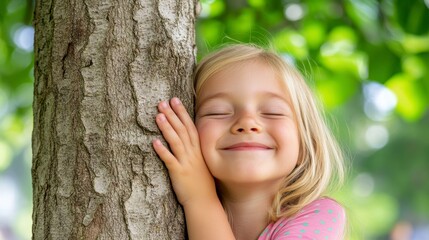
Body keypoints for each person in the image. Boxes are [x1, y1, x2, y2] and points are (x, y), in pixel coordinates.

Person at [152, 44, 347, 239]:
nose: (246, 123)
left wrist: (200, 198)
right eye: (218, 111)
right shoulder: (170, 214)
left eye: (273, 111)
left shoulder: (320, 215)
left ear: (305, 143)